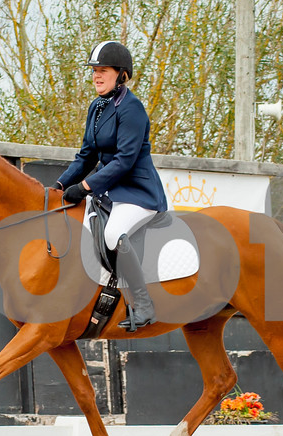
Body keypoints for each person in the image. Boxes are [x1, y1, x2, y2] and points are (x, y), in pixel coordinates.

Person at [56, 41, 167, 331]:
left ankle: (143, 305)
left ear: (122, 75)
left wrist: (85, 186)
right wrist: (59, 185)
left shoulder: (132, 109)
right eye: (94, 71)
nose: (96, 76)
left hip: (137, 192)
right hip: (109, 192)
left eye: (102, 70)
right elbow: (86, 156)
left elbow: (125, 161)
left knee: (113, 234)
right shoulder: (97, 107)